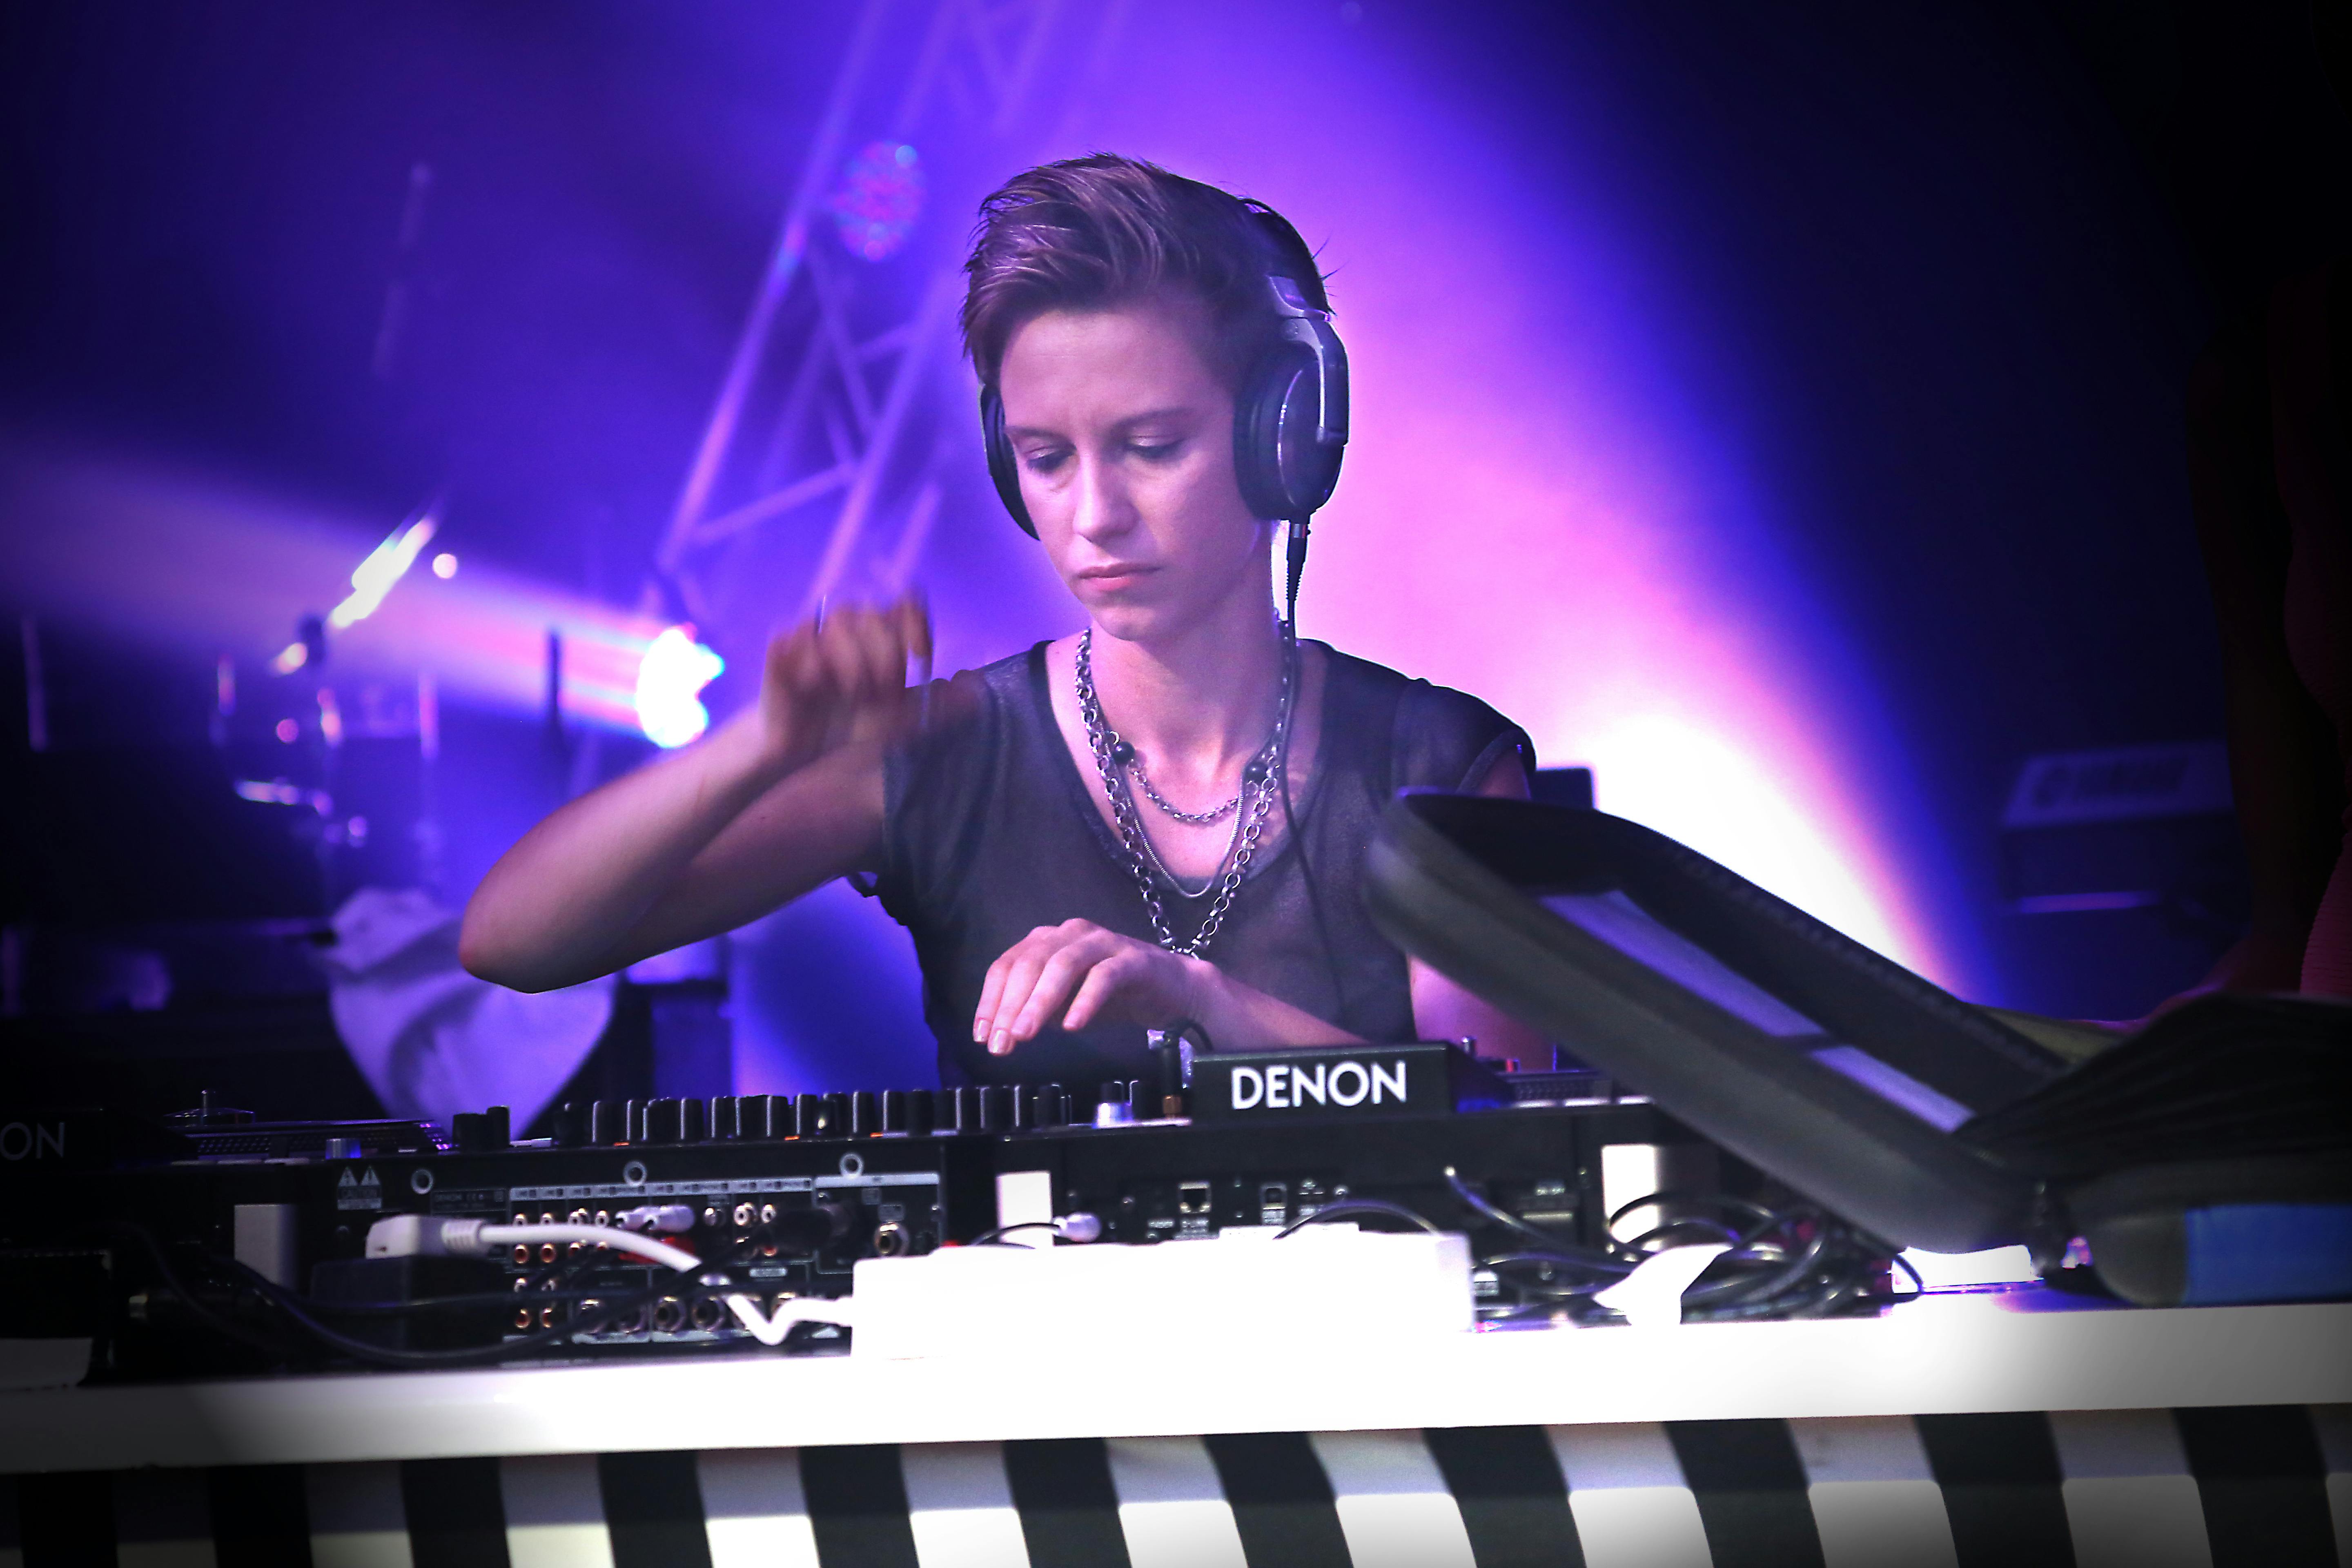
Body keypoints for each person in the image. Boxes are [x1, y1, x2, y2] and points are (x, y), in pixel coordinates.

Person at [460, 154, 1545, 1088]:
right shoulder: (945, 750)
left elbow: (1500, 1122)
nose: (1095, 516)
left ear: (1284, 435)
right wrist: (762, 747)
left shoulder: (1439, 765)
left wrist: (1205, 1005)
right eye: (1046, 459)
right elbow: (513, 942)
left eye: (1153, 446)